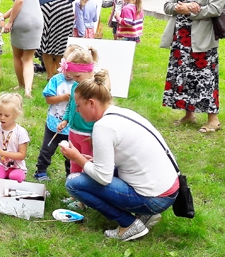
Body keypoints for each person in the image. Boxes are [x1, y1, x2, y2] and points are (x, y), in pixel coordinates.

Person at [61, 70, 179, 242]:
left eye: (78, 106)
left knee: (74, 183)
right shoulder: (121, 113)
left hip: (155, 198)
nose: (77, 111)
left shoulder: (103, 127)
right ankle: (145, 215)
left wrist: (78, 157)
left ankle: (129, 224)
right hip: (169, 188)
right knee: (90, 170)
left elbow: (103, 177)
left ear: (91, 103)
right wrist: (92, 160)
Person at [161, 0, 225, 134]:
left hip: (202, 39)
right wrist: (182, 8)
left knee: (205, 78)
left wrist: (190, 11)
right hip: (180, 39)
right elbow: (167, 6)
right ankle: (189, 115)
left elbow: (216, 8)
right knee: (183, 76)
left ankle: (213, 120)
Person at [55, 45, 99, 210]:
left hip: (88, 135)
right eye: (73, 77)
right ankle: (75, 195)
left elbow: (101, 116)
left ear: (89, 71)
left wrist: (96, 134)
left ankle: (84, 200)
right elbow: (70, 106)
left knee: (85, 166)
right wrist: (66, 120)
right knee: (74, 164)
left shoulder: (95, 90)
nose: (76, 80)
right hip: (73, 133)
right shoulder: (75, 87)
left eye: (78, 76)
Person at [35, 0, 82, 78]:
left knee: (46, 41)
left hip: (45, 8)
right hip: (63, 6)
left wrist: (43, 1)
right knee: (62, 41)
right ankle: (59, 74)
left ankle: (50, 75)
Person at [3, 0, 43, 99]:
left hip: (22, 22)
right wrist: (4, 15)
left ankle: (21, 85)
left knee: (17, 56)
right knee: (28, 58)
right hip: (37, 21)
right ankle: (28, 90)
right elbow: (22, 3)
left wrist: (10, 21)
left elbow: (19, 1)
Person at [34, 68, 73, 182]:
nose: (70, 73)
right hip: (54, 123)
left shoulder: (79, 82)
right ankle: (41, 171)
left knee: (70, 153)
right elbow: (48, 99)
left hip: (71, 127)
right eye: (68, 70)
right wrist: (64, 97)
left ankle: (71, 175)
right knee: (47, 148)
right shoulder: (56, 80)